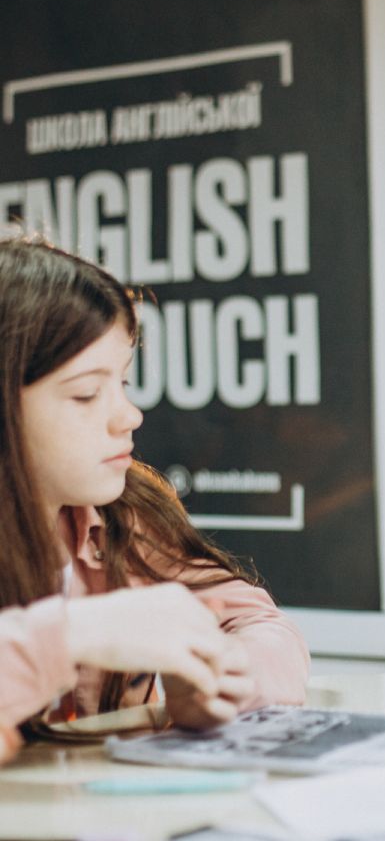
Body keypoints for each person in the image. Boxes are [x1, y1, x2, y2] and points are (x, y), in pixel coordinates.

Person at [0, 234, 309, 730]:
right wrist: (75, 634)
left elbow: (260, 624)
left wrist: (226, 679)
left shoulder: (124, 516)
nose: (130, 416)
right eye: (85, 394)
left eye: (120, 384)